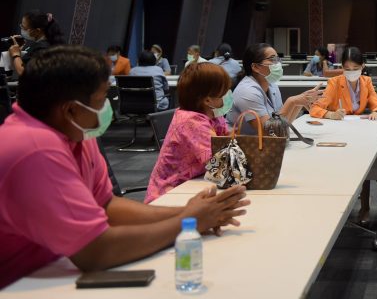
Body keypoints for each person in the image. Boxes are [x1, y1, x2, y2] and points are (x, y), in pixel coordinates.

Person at [0, 46, 249, 289]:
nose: (108, 108)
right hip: (18, 283)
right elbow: (95, 251)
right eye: (101, 100)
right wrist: (189, 220)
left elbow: (107, 204)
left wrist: (191, 214)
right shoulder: (35, 148)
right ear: (71, 109)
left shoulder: (76, 130)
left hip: (52, 268)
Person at [310, 46, 377, 225]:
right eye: (347, 68)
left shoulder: (366, 81)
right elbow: (315, 108)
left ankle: (375, 199)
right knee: (364, 159)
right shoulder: (335, 82)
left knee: (366, 158)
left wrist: (376, 111)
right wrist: (330, 114)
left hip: (359, 132)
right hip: (337, 135)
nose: (351, 72)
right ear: (342, 67)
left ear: (363, 66)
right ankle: (375, 198)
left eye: (355, 68)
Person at [146, 62, 233, 203]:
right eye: (224, 92)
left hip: (195, 184)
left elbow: (228, 144)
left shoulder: (214, 115)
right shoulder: (191, 122)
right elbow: (219, 166)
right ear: (207, 100)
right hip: (170, 195)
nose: (229, 95)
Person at [227, 43, 322, 135]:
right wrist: (291, 102)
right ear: (255, 67)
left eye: (278, 59)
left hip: (263, 143)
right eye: (272, 59)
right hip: (241, 144)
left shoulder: (272, 85)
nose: (278, 63)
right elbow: (271, 132)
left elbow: (283, 124)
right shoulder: (247, 91)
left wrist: (300, 102)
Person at [8, 10, 65, 76]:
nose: (22, 29)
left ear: (37, 31)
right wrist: (19, 50)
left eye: (24, 28)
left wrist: (15, 55)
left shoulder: (43, 48)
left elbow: (25, 74)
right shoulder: (41, 44)